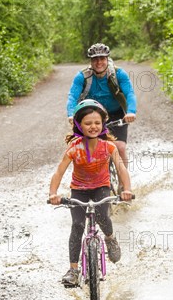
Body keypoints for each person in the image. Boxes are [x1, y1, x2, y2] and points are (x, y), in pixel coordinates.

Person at [50, 99, 134, 286]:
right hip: (78, 190)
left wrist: (126, 190)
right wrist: (53, 193)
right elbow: (59, 171)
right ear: (79, 126)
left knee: (103, 217)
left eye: (97, 123)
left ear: (103, 124)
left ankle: (110, 239)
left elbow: (121, 170)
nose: (93, 126)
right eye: (88, 123)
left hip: (101, 187)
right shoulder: (74, 148)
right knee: (78, 225)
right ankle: (73, 269)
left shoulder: (109, 147)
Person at [66, 43, 137, 168]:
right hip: (93, 116)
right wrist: (71, 114)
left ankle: (124, 183)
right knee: (88, 148)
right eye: (95, 59)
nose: (99, 62)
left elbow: (129, 93)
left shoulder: (118, 74)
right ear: (91, 61)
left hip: (116, 113)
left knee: (119, 147)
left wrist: (131, 111)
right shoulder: (82, 76)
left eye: (102, 58)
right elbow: (72, 96)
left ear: (107, 59)